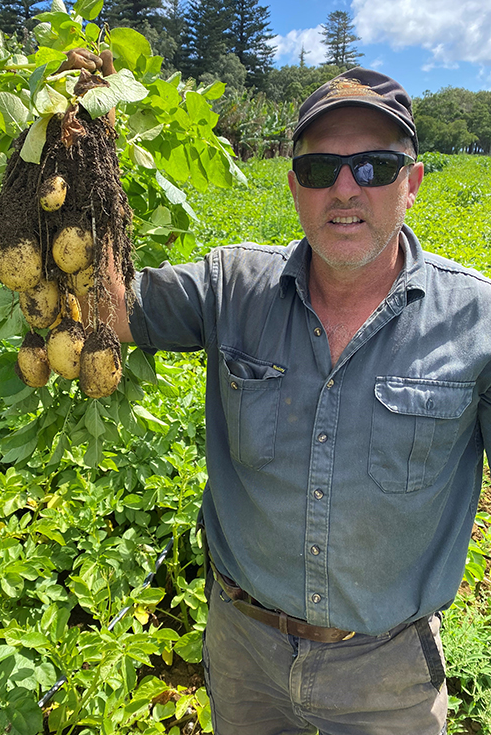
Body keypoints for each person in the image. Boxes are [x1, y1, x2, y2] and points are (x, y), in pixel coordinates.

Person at [107, 68, 491, 735]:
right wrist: (77, 140)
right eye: (319, 168)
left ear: (414, 183)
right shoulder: (232, 287)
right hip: (243, 651)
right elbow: (109, 313)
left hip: (387, 671)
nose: (346, 189)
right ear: (293, 187)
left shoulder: (477, 320)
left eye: (374, 166)